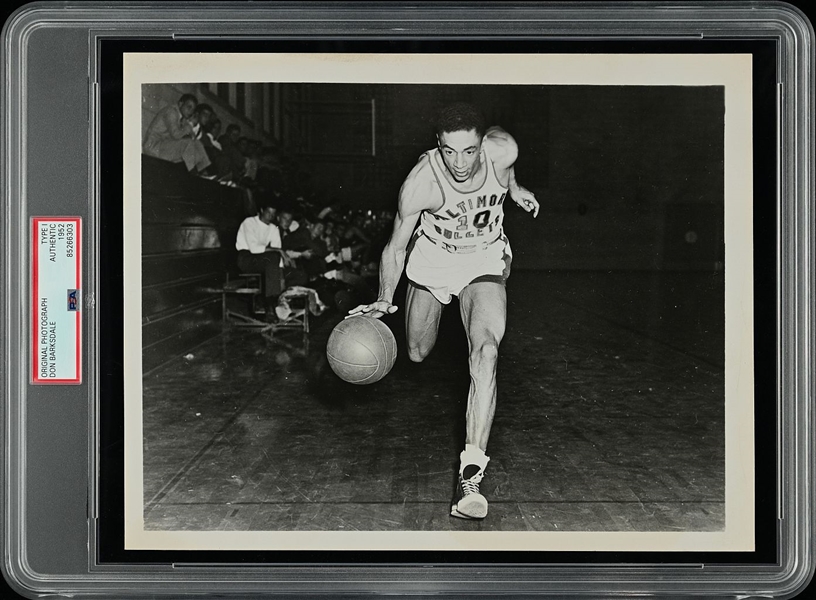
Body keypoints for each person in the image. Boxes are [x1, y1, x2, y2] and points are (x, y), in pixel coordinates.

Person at [348, 103, 539, 520]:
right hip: (433, 260)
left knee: (486, 353)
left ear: (483, 144)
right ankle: (418, 308)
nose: (460, 163)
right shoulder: (421, 183)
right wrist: (384, 296)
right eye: (450, 152)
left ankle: (471, 473)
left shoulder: (502, 151)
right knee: (417, 351)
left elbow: (503, 170)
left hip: (483, 259)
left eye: (469, 151)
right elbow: (395, 247)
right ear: (438, 145)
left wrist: (515, 188)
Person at [235, 202, 289, 319]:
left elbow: (277, 252)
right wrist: (279, 251)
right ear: (261, 210)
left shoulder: (273, 228)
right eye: (268, 212)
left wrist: (281, 275)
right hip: (246, 258)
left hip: (263, 259)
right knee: (273, 256)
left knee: (274, 258)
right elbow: (254, 249)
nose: (270, 216)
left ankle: (272, 302)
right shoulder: (249, 222)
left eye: (273, 214)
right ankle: (270, 304)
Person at [142, 93, 211, 174]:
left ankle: (204, 171)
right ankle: (193, 175)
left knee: (197, 143)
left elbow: (192, 137)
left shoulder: (183, 117)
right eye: (189, 107)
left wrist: (191, 130)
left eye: (193, 109)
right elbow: (176, 135)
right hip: (154, 147)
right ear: (180, 103)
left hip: (164, 145)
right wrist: (190, 124)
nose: (191, 111)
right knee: (187, 144)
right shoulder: (171, 112)